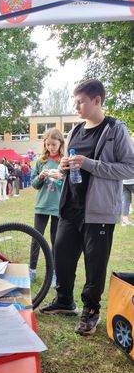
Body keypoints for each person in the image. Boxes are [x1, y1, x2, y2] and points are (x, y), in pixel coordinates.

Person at [40, 79, 134, 336]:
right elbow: (71, 166)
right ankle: (64, 301)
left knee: (95, 264)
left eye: (80, 101)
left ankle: (90, 312)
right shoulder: (75, 131)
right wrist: (64, 167)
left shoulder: (115, 129)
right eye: (75, 101)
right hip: (71, 207)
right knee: (62, 255)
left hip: (99, 211)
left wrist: (89, 163)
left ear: (97, 100)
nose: (76, 106)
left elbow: (129, 167)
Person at [30, 128, 64, 285]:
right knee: (36, 238)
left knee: (55, 241)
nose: (51, 147)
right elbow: (35, 185)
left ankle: (54, 273)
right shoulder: (40, 161)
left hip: (58, 207)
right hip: (42, 206)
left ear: (60, 143)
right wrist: (41, 176)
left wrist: (60, 178)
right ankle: (32, 270)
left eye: (54, 144)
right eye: (48, 144)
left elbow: (69, 186)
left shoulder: (64, 162)